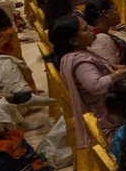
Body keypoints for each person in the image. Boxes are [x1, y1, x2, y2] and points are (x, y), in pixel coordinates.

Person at [50, 15, 120, 155]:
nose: (92, 29)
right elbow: (95, 85)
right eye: (85, 29)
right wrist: (117, 75)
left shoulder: (76, 54)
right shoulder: (81, 61)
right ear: (73, 41)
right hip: (105, 113)